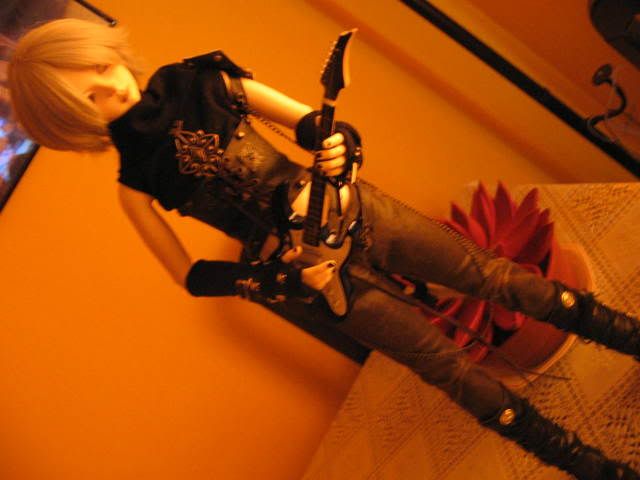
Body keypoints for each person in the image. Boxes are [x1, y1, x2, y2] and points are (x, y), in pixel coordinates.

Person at [8, 18, 640, 479]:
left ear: (108, 51)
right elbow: (188, 274)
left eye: (99, 69)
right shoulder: (134, 184)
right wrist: (274, 282)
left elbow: (311, 123)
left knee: (490, 276)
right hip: (313, 279)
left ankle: (625, 334)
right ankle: (584, 463)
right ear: (71, 123)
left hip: (352, 210)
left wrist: (338, 146)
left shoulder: (201, 81)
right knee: (442, 367)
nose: (109, 89)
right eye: (86, 98)